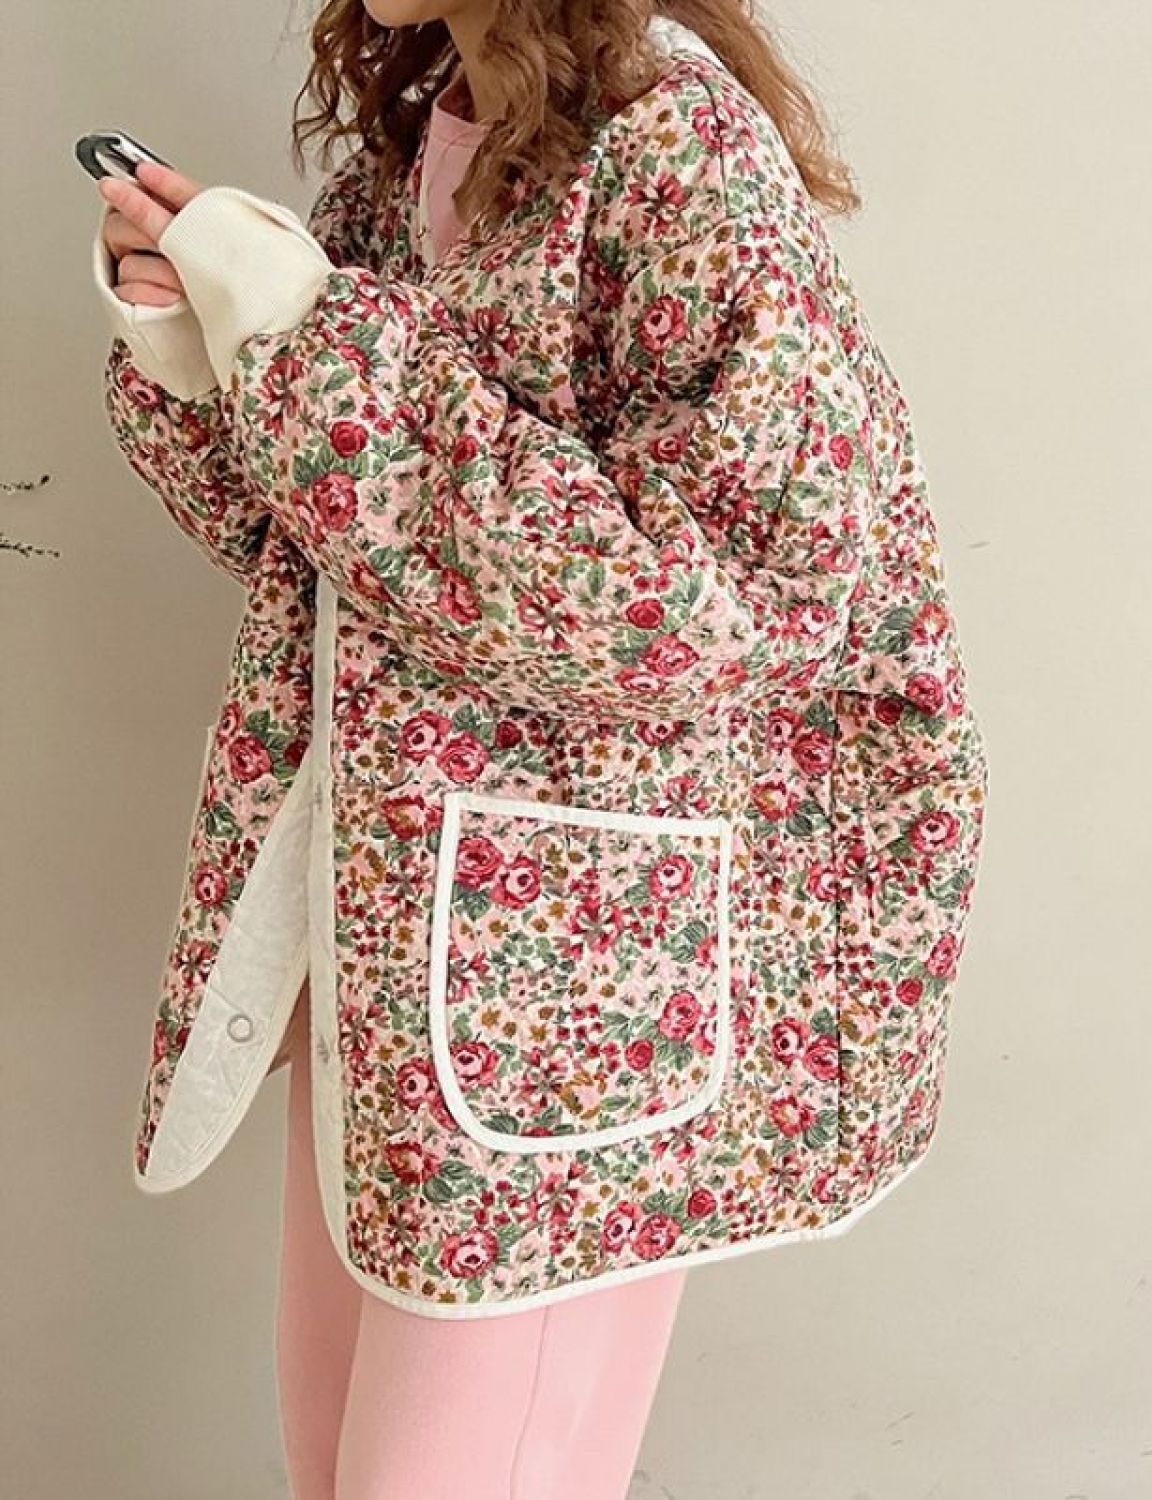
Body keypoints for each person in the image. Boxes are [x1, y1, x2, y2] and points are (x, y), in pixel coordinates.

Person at [91, 3, 990, 1496]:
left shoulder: (679, 146)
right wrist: (206, 356)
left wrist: (308, 345)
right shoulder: (428, 135)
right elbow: (332, 553)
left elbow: (713, 605)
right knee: (333, 1466)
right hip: (391, 950)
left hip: (567, 986)